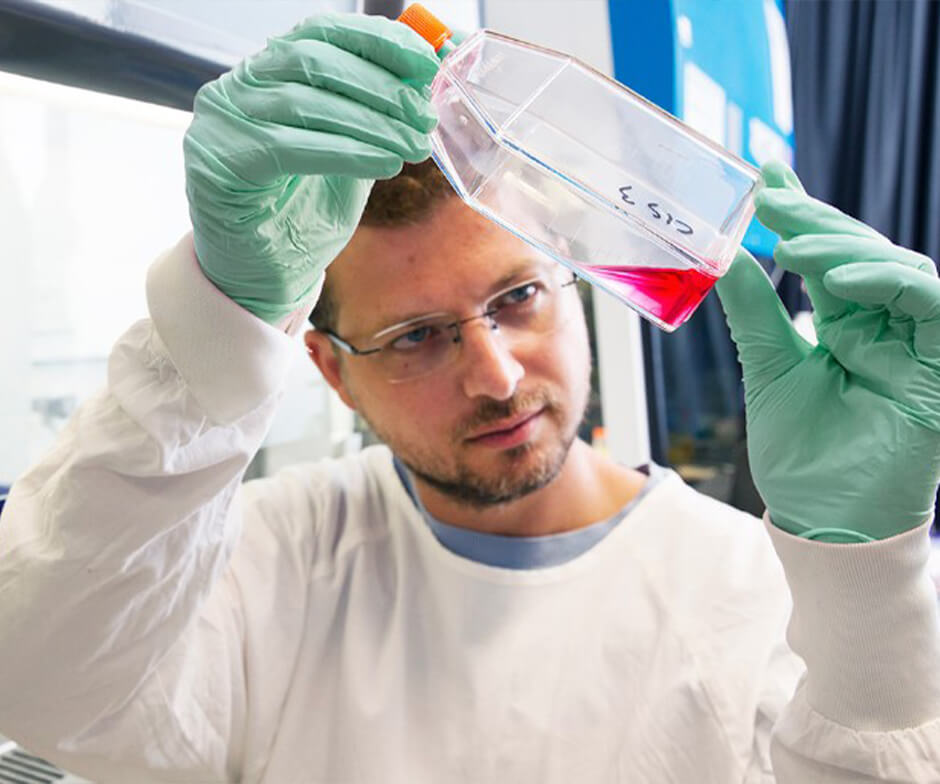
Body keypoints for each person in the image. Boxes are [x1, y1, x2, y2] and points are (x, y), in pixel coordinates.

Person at [1, 11, 939, 783]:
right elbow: (43, 686)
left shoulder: (760, 592)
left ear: (574, 281)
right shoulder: (274, 556)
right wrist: (214, 331)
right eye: (415, 336)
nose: (496, 375)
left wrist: (868, 588)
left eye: (518, 297)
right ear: (331, 370)